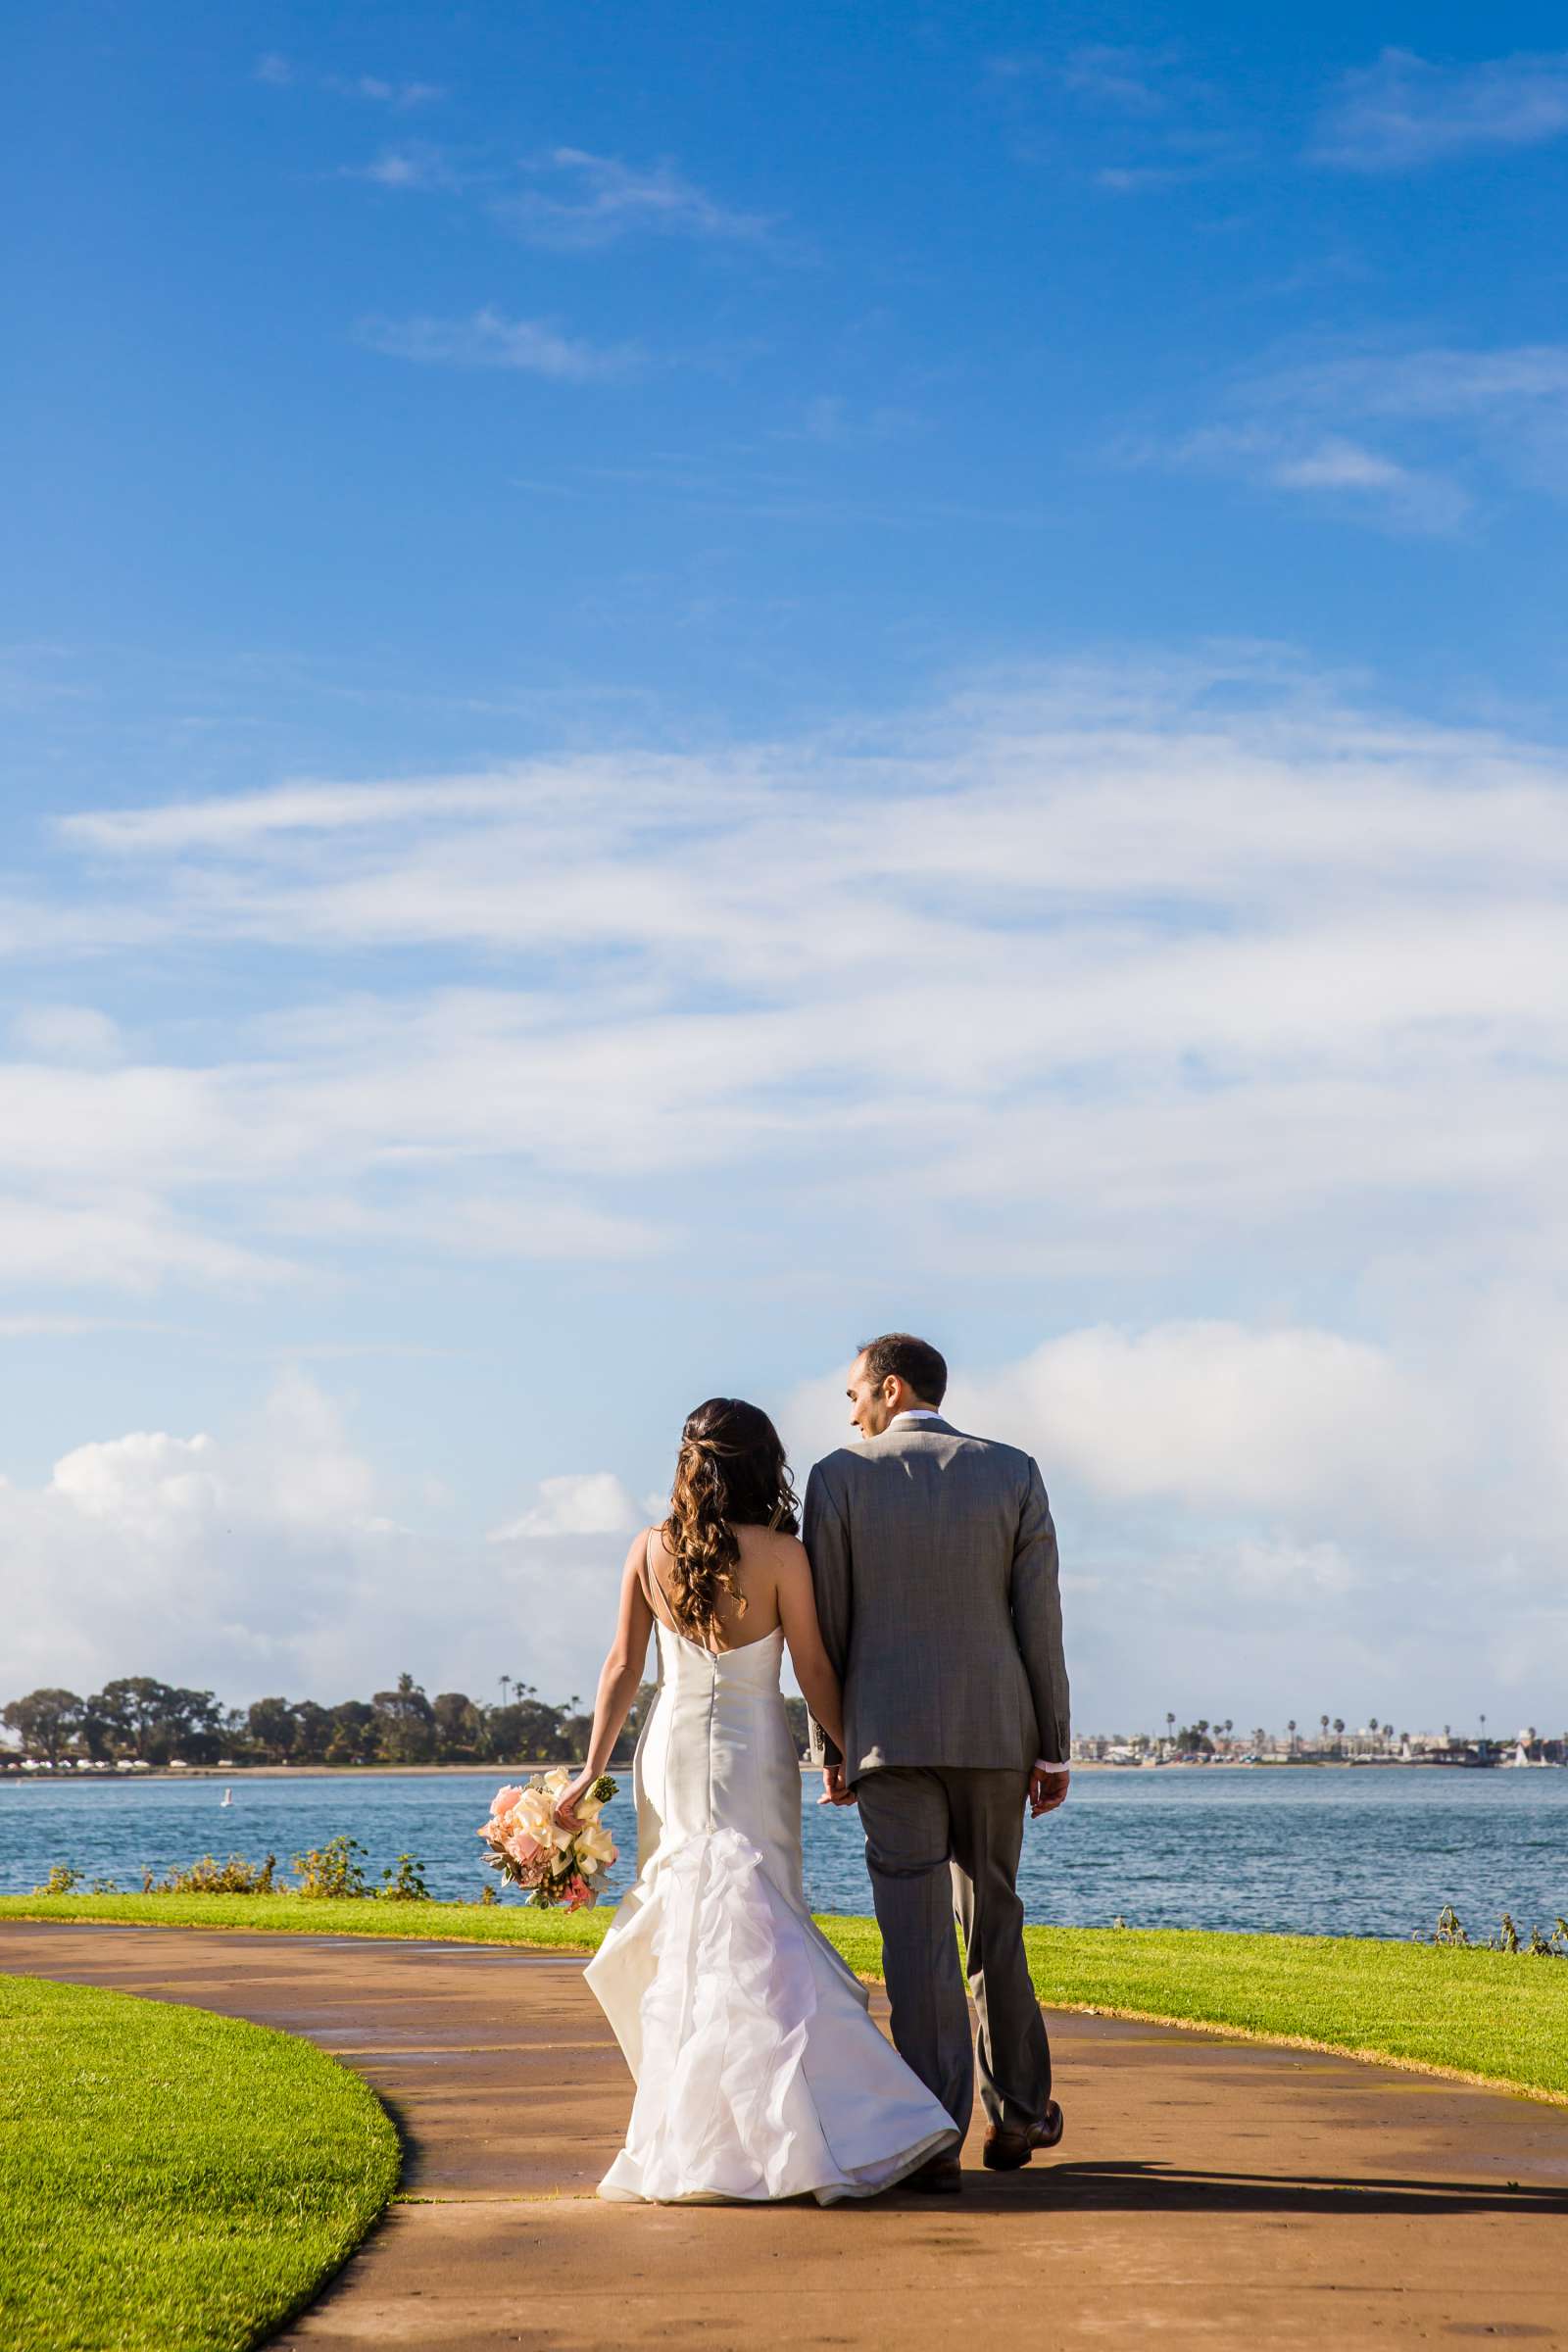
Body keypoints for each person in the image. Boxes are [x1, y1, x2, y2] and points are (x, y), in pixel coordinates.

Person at [558, 1396, 957, 2205]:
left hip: (669, 1749)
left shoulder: (648, 1549)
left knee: (695, 1925)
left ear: (688, 1465)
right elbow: (811, 1668)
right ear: (760, 1465)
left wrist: (588, 1770)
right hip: (752, 1748)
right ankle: (802, 2128)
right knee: (760, 1922)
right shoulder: (782, 1556)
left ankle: (696, 2132)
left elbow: (620, 1670)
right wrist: (842, 1749)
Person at [803, 1333, 1070, 2191]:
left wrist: (831, 1748)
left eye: (854, 1394)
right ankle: (1021, 2110)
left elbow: (828, 1630)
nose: (849, 1411)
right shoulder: (1015, 1471)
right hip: (998, 1736)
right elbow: (1041, 1622)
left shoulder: (838, 1478)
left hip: (887, 1739)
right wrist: (1053, 1743)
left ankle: (933, 2135)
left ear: (890, 1387)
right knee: (995, 1918)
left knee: (915, 1943)